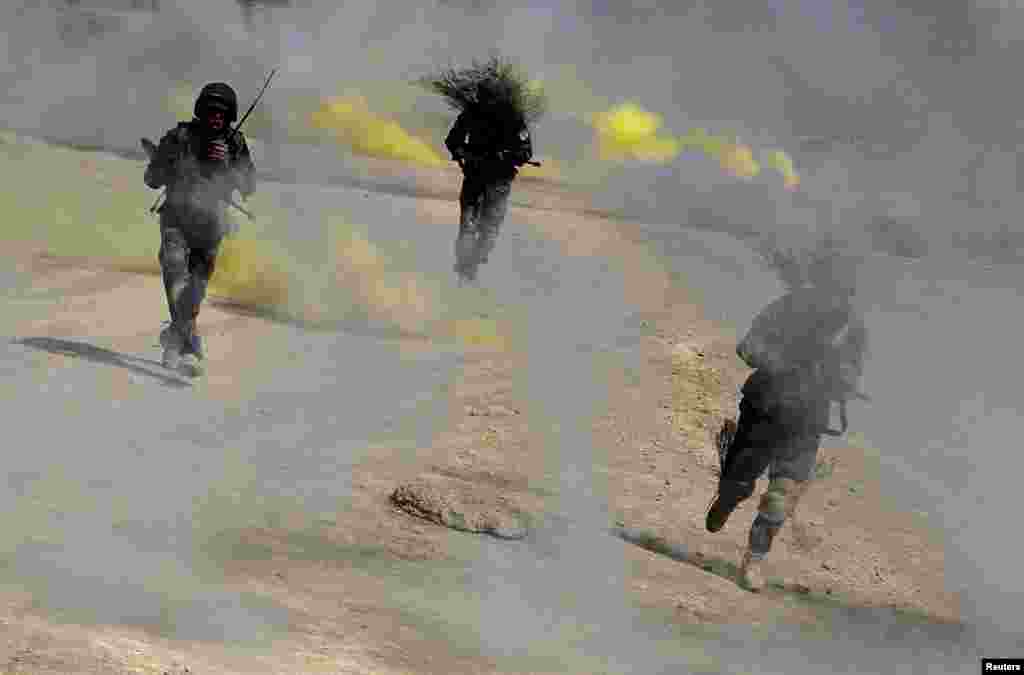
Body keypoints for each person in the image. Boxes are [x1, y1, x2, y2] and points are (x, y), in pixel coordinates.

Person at [706, 250, 869, 591]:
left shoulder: (851, 328)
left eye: (842, 288)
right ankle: (727, 496)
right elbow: (748, 346)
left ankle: (755, 559)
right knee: (738, 482)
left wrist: (839, 378)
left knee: (782, 495)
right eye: (831, 284)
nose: (836, 294)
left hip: (807, 419)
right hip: (765, 408)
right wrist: (776, 363)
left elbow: (853, 374)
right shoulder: (786, 308)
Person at [143, 82, 256, 375]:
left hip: (210, 226)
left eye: (221, 113)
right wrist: (182, 165)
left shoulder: (235, 144)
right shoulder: (179, 137)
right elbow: (152, 178)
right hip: (176, 220)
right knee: (174, 271)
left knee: (194, 290)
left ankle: (174, 339)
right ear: (200, 112)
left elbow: (249, 186)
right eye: (210, 111)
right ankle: (190, 347)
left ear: (229, 116)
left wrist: (229, 164)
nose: (215, 118)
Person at [444, 81, 534, 285]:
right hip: (476, 176)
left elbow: (525, 151)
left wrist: (506, 155)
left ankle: (470, 266)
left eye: (488, 98)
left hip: (498, 180)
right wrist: (462, 153)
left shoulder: (512, 118)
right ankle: (464, 268)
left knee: (488, 230)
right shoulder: (472, 114)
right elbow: (452, 141)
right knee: (470, 226)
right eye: (483, 98)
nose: (485, 102)